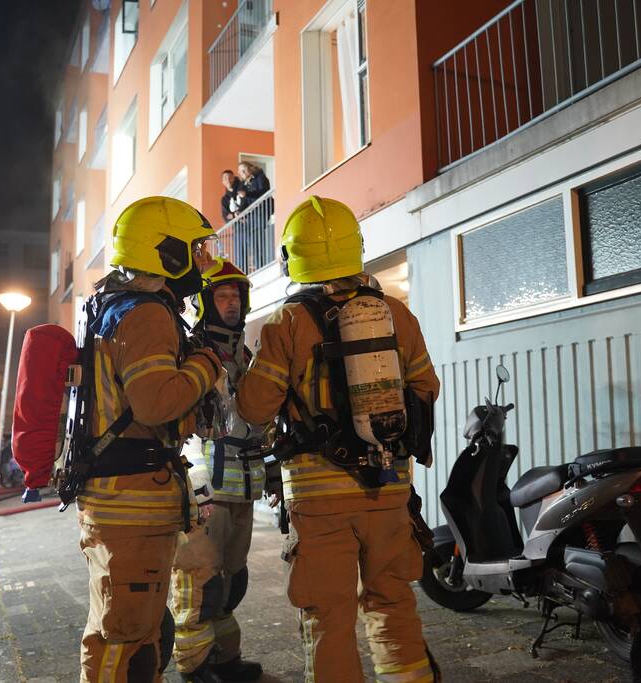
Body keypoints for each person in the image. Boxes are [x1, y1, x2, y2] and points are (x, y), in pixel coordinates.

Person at [235, 196, 441, 682]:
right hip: (388, 488)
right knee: (393, 601)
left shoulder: (286, 323)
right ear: (356, 247)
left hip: (319, 497)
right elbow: (426, 389)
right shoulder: (395, 314)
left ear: (292, 258)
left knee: (328, 616)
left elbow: (254, 408)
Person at [76, 196, 224, 682]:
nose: (203, 260)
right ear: (168, 254)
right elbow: (156, 404)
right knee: (124, 639)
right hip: (131, 506)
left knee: (134, 636)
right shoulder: (145, 314)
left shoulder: (114, 306)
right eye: (195, 250)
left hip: (123, 499)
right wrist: (207, 362)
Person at [170, 259, 265, 683]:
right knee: (200, 581)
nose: (231, 303)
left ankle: (225, 659)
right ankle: (194, 666)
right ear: (206, 303)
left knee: (232, 581)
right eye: (222, 296)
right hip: (205, 485)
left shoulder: (244, 353)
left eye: (235, 296)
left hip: (243, 484)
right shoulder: (192, 351)